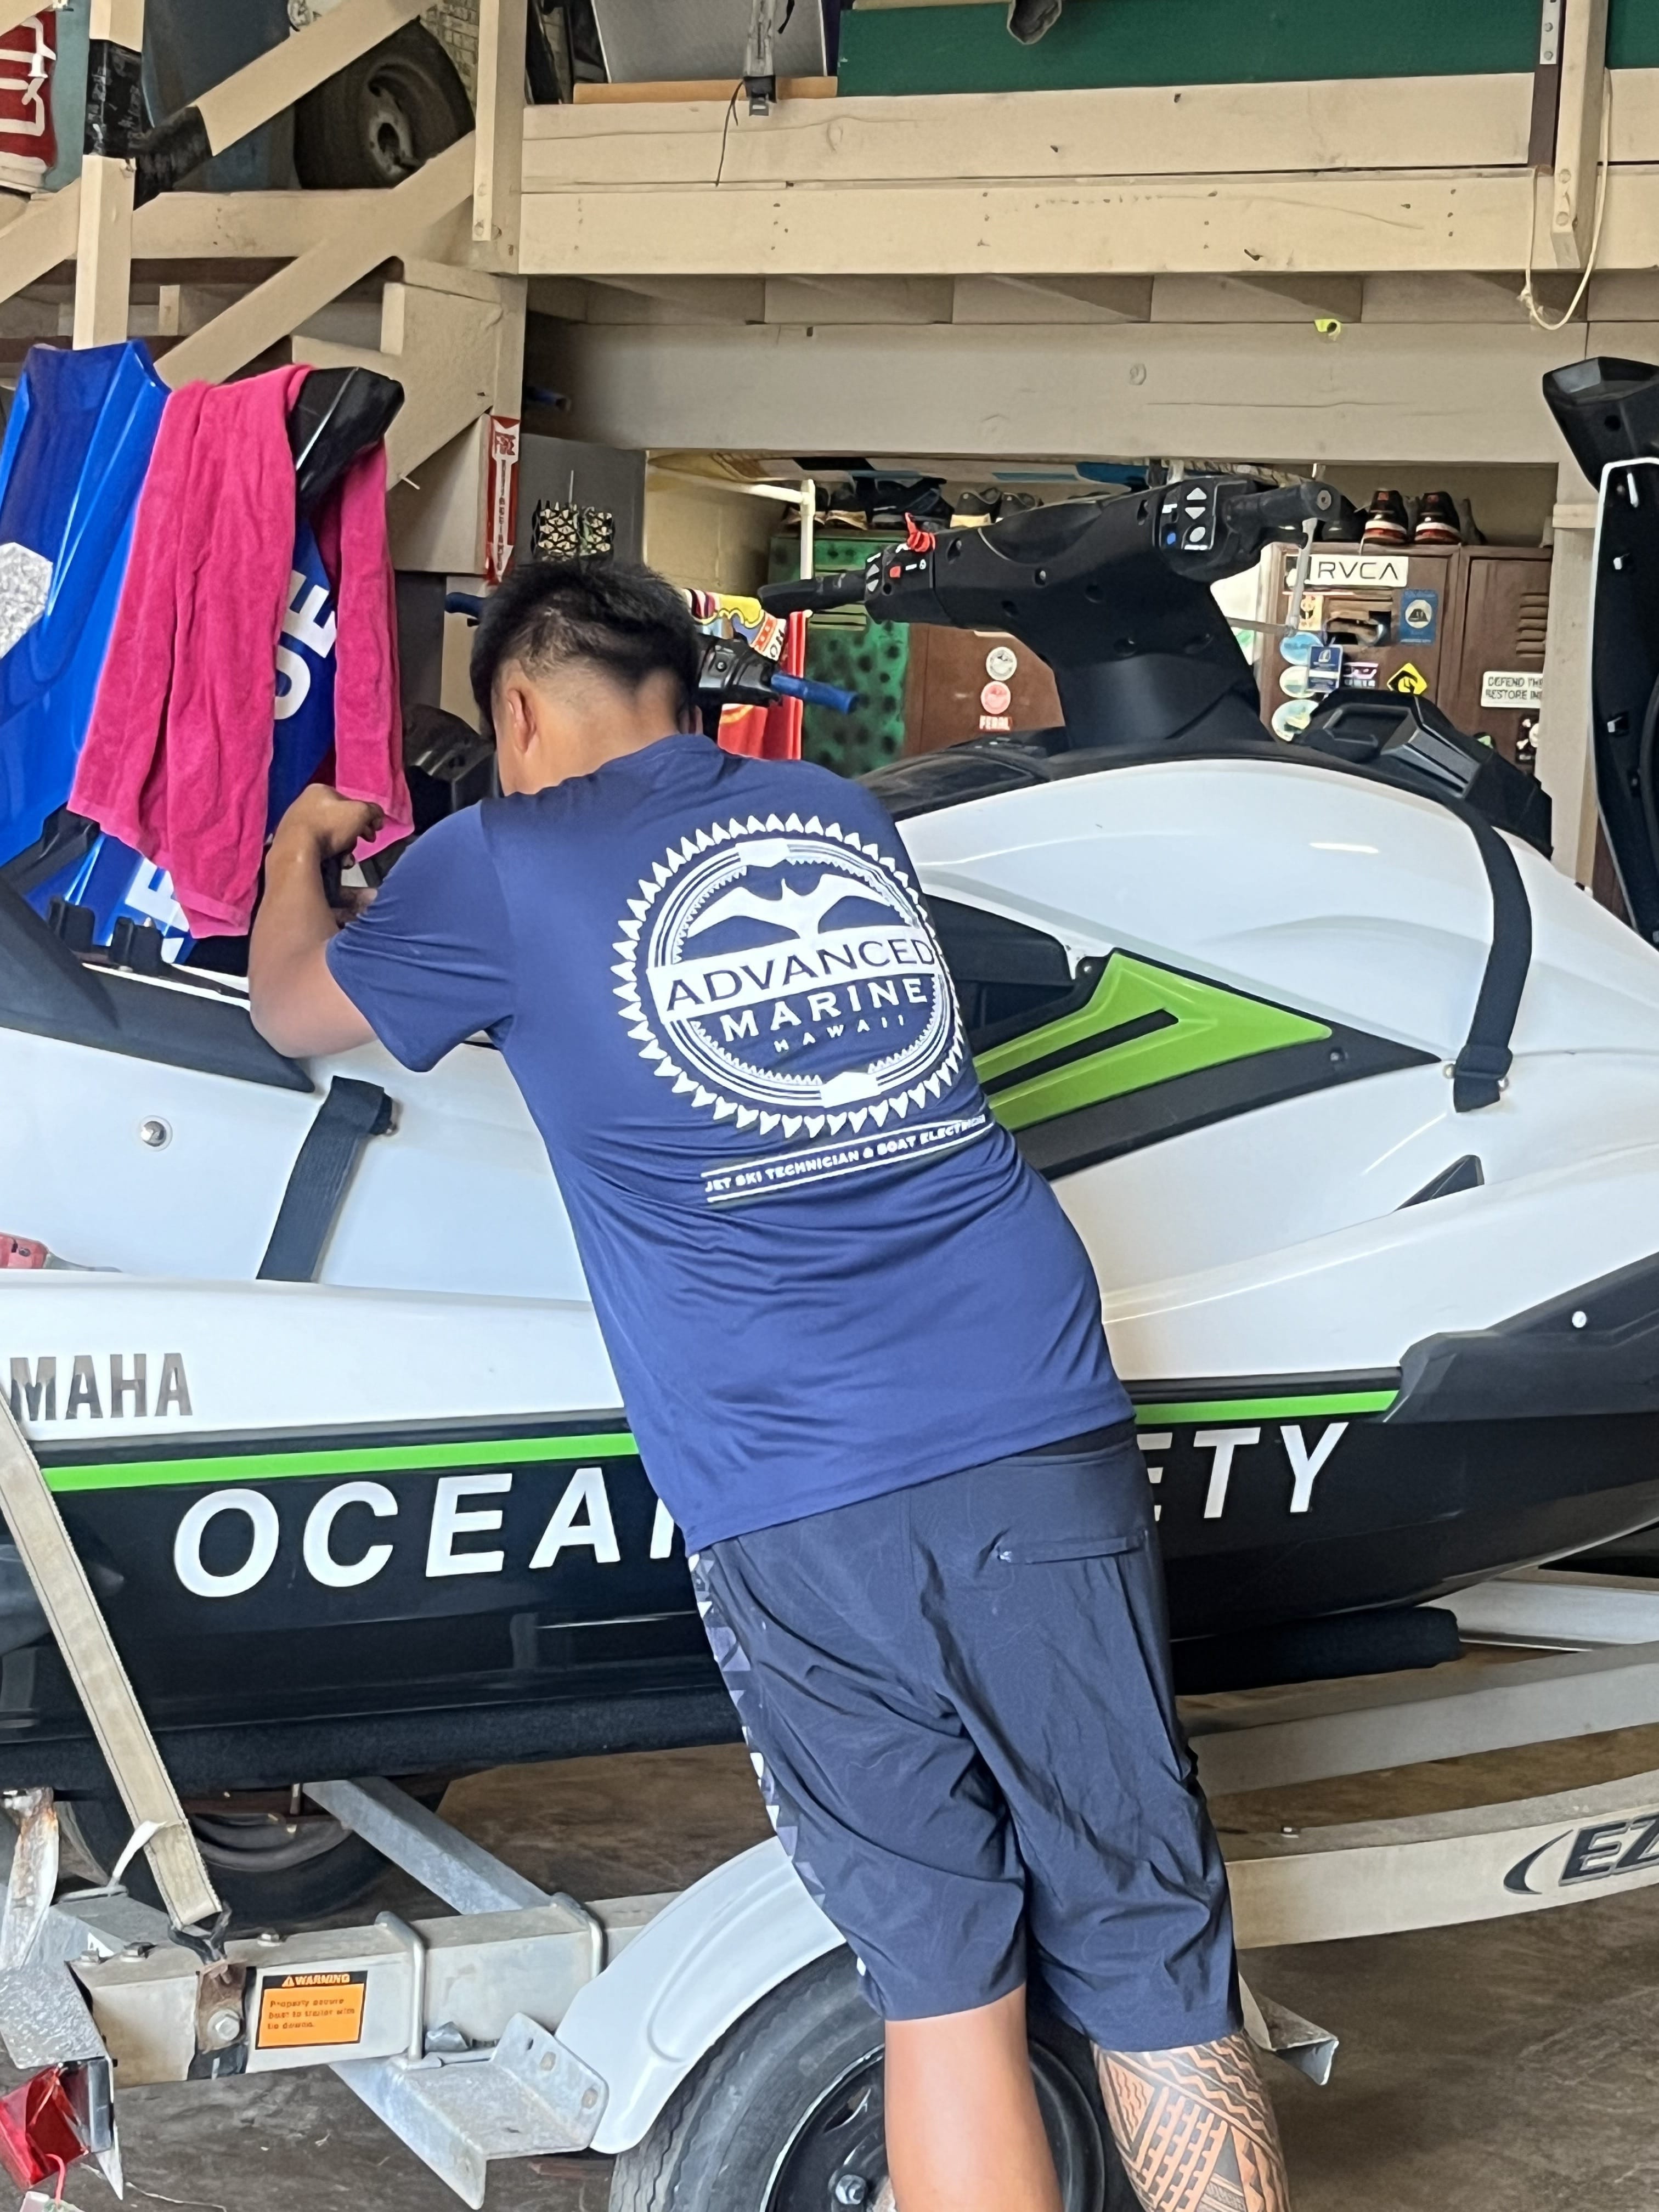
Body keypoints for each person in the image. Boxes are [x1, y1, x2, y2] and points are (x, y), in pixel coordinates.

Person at [249, 559, 1291, 2212]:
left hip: (798, 1465)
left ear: (516, 712)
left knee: (942, 1959)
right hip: (1034, 1397)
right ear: (692, 693)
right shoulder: (837, 814)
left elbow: (296, 1008)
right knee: (1143, 1915)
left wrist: (303, 851)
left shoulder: (498, 861)